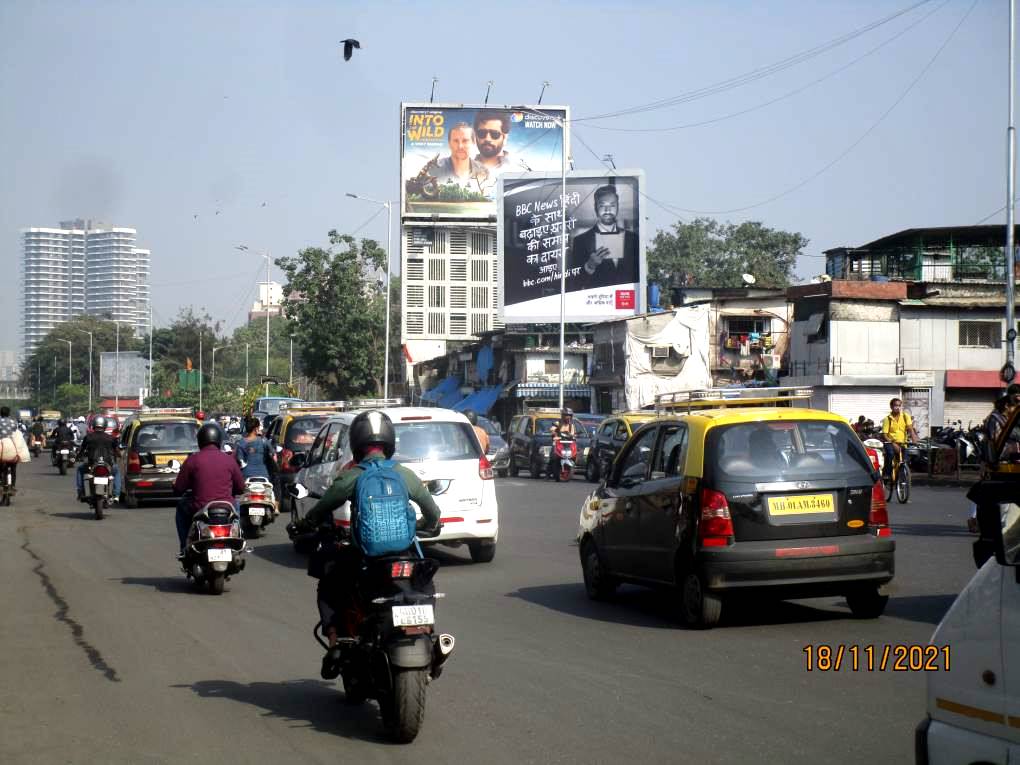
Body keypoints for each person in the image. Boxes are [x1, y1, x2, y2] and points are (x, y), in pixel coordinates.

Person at [289, 410, 441, 679]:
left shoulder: (353, 475)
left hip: (367, 558)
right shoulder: (405, 475)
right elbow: (432, 512)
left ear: (356, 443)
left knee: (329, 584)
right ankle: (432, 638)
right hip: (404, 554)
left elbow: (324, 505)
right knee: (423, 585)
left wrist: (305, 523)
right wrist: (425, 525)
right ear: (390, 442)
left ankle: (335, 644)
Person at [172, 422, 245, 557]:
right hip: (227, 507)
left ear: (200, 440)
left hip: (200, 507)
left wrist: (176, 486)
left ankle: (184, 547)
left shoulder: (192, 460)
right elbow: (241, 488)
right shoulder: (229, 460)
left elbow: (179, 489)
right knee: (237, 505)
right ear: (218, 440)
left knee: (181, 508)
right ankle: (237, 537)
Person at [568, 185, 640, 291]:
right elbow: (573, 284)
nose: (607, 210)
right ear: (595, 207)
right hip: (597, 302)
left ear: (617, 207)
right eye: (602, 206)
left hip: (627, 302)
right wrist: (589, 266)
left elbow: (638, 275)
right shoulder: (581, 241)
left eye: (612, 205)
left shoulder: (632, 239)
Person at [74, 415, 121, 503]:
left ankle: (80, 492)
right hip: (107, 464)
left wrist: (78, 457)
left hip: (92, 464)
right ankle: (116, 495)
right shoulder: (111, 438)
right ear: (105, 425)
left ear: (94, 425)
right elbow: (117, 451)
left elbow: (81, 450)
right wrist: (119, 455)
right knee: (117, 472)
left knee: (80, 470)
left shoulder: (88, 437)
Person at [430, 122, 489, 191]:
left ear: (473, 142)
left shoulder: (483, 171)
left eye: (465, 141)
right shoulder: (434, 169)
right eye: (455, 141)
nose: (460, 146)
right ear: (449, 143)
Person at [880, 398, 918, 478]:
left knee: (906, 459)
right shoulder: (887, 419)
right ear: (891, 407)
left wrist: (914, 437)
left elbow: (910, 428)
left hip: (902, 442)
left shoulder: (905, 416)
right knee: (890, 454)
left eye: (899, 406)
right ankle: (886, 474)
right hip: (890, 442)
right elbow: (884, 435)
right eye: (895, 405)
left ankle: (903, 477)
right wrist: (893, 443)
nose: (897, 407)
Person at [236, 415, 278, 484]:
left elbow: (240, 462)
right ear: (256, 429)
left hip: (247, 476)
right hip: (264, 476)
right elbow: (274, 457)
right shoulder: (264, 440)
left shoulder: (241, 443)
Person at [473, 110, 513, 180]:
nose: (487, 139)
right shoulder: (464, 168)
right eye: (482, 133)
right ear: (475, 136)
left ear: (504, 138)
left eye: (494, 134)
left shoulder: (516, 168)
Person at [547, 408, 579, 478]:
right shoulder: (558, 423)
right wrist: (554, 433)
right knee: (553, 456)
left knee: (575, 452)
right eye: (566, 415)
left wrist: (574, 436)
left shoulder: (571, 425)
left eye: (569, 415)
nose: (568, 417)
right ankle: (548, 472)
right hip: (558, 442)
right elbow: (552, 429)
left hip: (568, 443)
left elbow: (573, 434)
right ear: (563, 416)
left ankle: (572, 466)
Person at [0, 406, 25, 489]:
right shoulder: (14, 423)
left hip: (1, 448)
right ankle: (13, 486)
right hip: (11, 448)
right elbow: (16, 435)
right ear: (9, 414)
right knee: (13, 468)